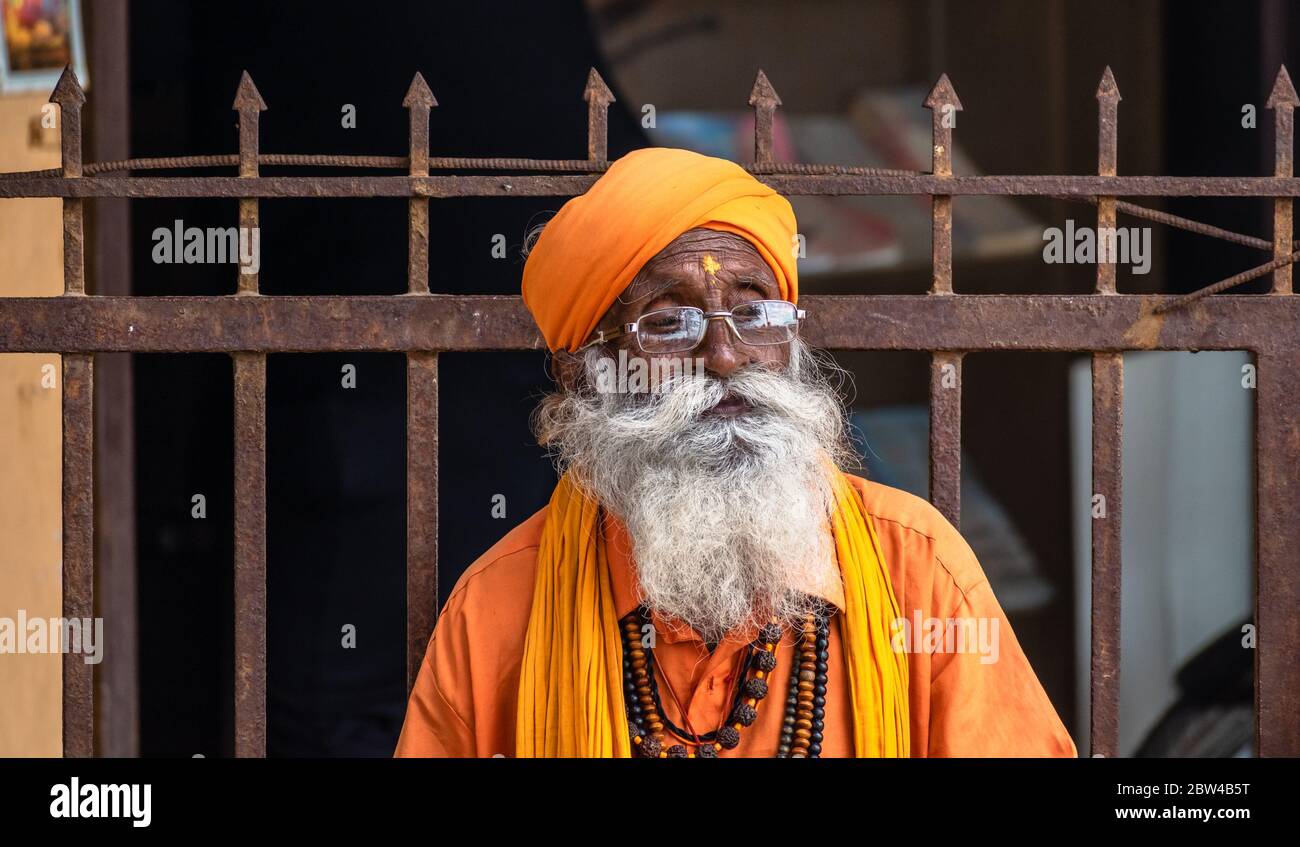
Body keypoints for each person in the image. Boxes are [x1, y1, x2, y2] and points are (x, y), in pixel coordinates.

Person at [394, 147, 1076, 758]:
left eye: (754, 313)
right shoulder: (496, 609)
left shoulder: (919, 570)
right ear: (585, 371)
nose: (723, 356)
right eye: (668, 322)